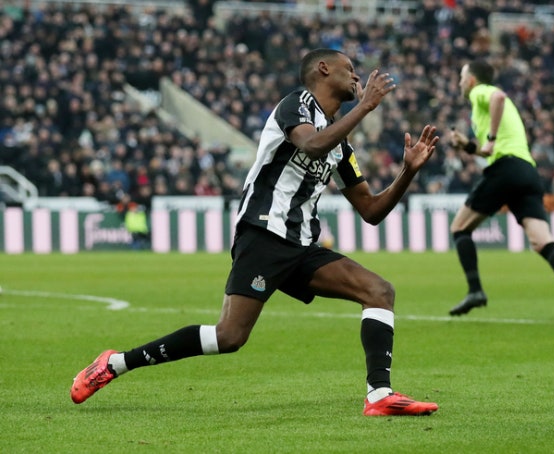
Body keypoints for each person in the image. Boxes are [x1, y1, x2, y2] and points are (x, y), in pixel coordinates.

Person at [70, 49, 441, 416]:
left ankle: (379, 395)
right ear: (323, 69)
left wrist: (407, 172)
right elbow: (311, 145)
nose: (357, 77)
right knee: (229, 336)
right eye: (350, 68)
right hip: (264, 232)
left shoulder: (341, 147)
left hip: (300, 244)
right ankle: (115, 364)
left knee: (378, 291)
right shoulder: (296, 105)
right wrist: (366, 107)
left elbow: (371, 210)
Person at [447, 58, 554, 327]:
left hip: (505, 170)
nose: (459, 83)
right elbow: (487, 150)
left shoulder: (481, 92)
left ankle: (475, 290)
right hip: (527, 172)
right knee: (541, 241)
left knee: (459, 228)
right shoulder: (484, 109)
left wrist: (490, 139)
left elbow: (499, 98)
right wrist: (467, 145)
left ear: (471, 80)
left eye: (461, 77)